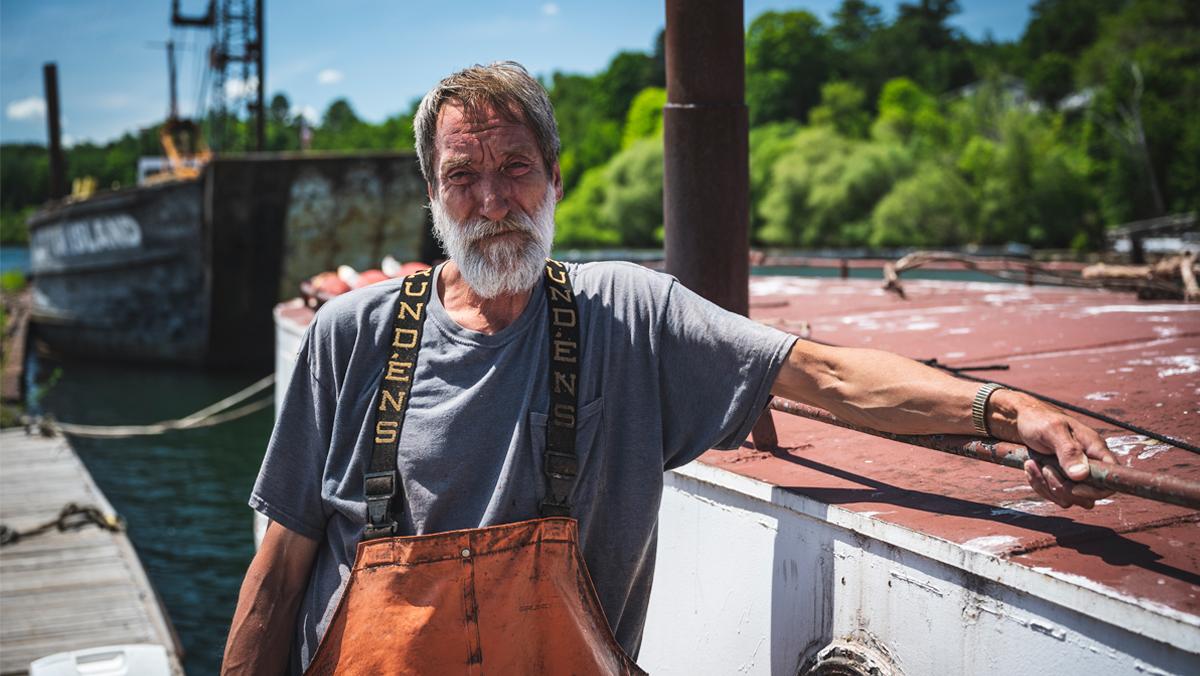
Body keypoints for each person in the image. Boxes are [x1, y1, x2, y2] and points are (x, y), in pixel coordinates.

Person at [222, 62, 1116, 675]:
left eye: (516, 168)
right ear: (432, 196)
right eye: (464, 176)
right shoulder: (351, 336)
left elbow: (828, 378)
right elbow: (281, 569)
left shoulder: (631, 315)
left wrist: (1005, 411)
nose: (493, 200)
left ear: (557, 180)